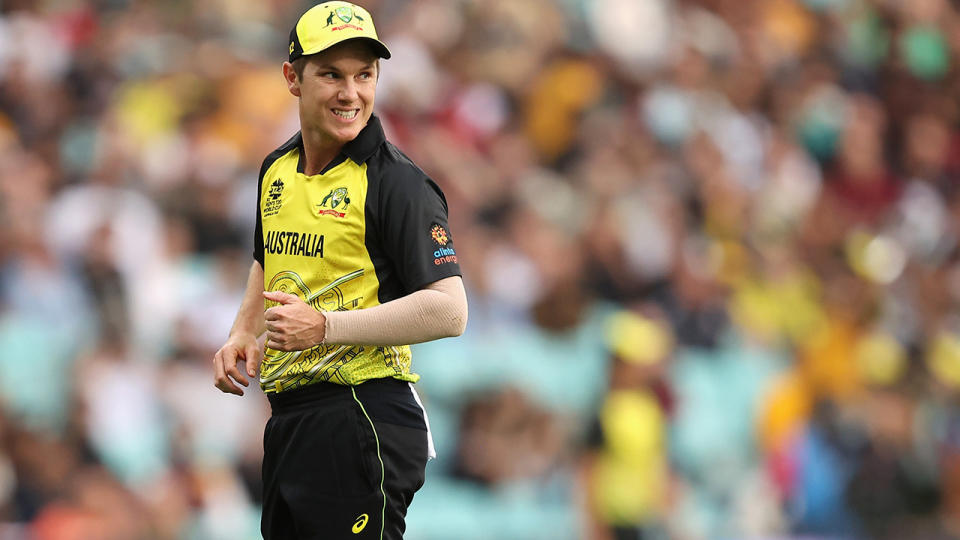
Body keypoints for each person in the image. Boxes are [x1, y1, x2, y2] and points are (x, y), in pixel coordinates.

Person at [211, 2, 468, 538]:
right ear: (292, 78)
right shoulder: (276, 169)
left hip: (362, 413)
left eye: (364, 75)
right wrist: (243, 330)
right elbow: (269, 257)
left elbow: (450, 311)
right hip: (289, 419)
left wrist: (325, 327)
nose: (351, 93)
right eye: (331, 74)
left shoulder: (397, 182)